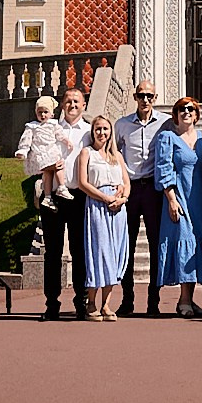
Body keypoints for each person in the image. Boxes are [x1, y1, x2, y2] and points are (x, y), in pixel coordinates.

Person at [152, 97, 202, 316]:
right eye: (181, 109)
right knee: (184, 241)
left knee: (196, 246)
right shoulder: (168, 138)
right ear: (175, 114)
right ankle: (183, 301)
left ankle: (189, 300)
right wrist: (171, 199)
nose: (186, 112)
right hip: (179, 197)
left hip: (199, 200)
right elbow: (163, 168)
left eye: (191, 109)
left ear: (197, 114)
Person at [113, 80, 167, 317]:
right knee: (128, 246)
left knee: (156, 246)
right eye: (141, 95)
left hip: (154, 190)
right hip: (131, 189)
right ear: (134, 97)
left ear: (155, 98)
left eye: (150, 96)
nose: (145, 100)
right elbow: (113, 153)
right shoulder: (122, 125)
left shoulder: (166, 123)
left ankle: (153, 301)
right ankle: (127, 299)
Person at [39, 86, 92, 320]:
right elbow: (37, 155)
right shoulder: (50, 128)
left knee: (80, 250)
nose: (72, 105)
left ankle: (81, 301)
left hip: (79, 196)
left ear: (84, 106)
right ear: (62, 105)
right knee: (52, 252)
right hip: (54, 197)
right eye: (68, 101)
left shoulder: (89, 132)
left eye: (76, 101)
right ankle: (52, 303)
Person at [74, 115, 129, 322]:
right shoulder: (86, 153)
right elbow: (82, 183)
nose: (102, 133)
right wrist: (105, 197)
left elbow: (127, 182)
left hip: (118, 209)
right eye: (98, 129)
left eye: (105, 129)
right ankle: (91, 302)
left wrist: (122, 198)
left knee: (114, 253)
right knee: (99, 252)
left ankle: (106, 304)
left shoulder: (117, 156)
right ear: (92, 131)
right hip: (97, 205)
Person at [15, 95, 63, 219]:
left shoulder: (54, 124)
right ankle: (48, 195)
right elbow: (26, 139)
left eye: (45, 112)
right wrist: (23, 150)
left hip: (51, 152)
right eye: (39, 112)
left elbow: (60, 135)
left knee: (56, 168)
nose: (42, 115)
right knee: (48, 170)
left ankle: (56, 191)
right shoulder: (32, 126)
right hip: (40, 153)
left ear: (51, 114)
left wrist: (66, 141)